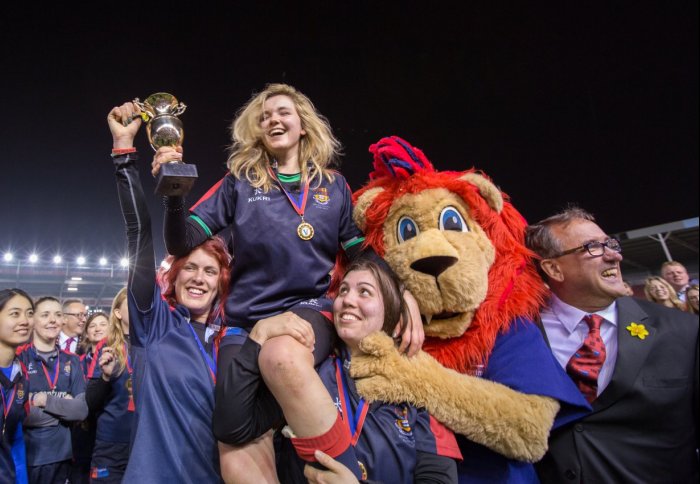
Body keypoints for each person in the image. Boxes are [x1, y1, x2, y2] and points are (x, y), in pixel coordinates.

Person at [152, 83, 422, 481]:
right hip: (246, 324)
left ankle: (346, 475)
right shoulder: (240, 182)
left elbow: (360, 254)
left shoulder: (333, 187)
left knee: (281, 355)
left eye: (283, 113)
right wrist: (174, 195)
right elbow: (182, 241)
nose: (273, 120)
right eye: (264, 116)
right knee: (231, 435)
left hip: (308, 308)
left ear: (303, 126)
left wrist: (402, 292)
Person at [222, 259, 461, 483]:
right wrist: (257, 336)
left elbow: (439, 478)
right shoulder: (307, 374)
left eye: (364, 292)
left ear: (393, 316)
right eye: (343, 290)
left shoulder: (419, 386)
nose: (347, 300)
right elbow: (235, 427)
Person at [526, 207, 699, 483]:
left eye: (611, 244)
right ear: (553, 268)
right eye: (593, 247)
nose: (614, 255)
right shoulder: (517, 334)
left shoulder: (684, 331)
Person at [107, 101, 231, 482]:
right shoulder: (154, 324)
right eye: (189, 268)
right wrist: (125, 154)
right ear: (173, 278)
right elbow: (138, 235)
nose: (198, 278)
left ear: (221, 283)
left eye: (210, 271)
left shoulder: (233, 340)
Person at [17, 296, 88, 484]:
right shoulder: (20, 358)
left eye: (57, 314)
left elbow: (81, 410)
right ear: (33, 320)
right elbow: (19, 413)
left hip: (62, 458)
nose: (53, 320)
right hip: (26, 456)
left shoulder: (71, 360)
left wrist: (43, 400)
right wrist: (63, 406)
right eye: (45, 315)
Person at [84, 288, 133, 483]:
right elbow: (90, 402)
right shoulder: (107, 346)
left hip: (147, 440)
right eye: (132, 303)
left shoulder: (154, 344)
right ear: (118, 313)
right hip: (112, 443)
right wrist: (105, 377)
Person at [1, 288, 33, 484]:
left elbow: (15, 439)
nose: (25, 321)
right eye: (15, 314)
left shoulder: (21, 375)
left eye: (29, 313)